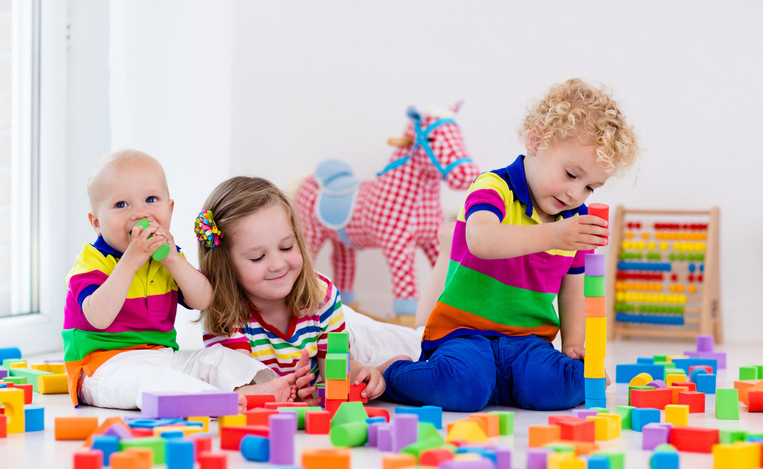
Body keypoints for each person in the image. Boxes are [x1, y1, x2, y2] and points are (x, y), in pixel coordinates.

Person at [378, 78, 640, 412]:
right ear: (537, 140)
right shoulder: (494, 187)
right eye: (571, 175)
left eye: (591, 187)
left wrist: (573, 346)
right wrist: (555, 236)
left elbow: (573, 290)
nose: (576, 194)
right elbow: (481, 240)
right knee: (464, 390)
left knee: (563, 387)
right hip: (464, 333)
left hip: (529, 341)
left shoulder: (573, 218)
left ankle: (509, 383)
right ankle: (393, 371)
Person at [61, 149, 297, 410]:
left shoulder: (167, 257)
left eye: (151, 199)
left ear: (170, 209)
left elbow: (203, 299)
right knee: (153, 380)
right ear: (96, 222)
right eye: (121, 205)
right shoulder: (91, 261)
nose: (140, 213)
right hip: (102, 368)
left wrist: (173, 259)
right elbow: (99, 317)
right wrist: (131, 260)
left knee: (218, 357)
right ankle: (220, 403)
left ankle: (256, 390)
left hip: (162, 356)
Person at [198, 175, 399, 404]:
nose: (277, 264)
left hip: (357, 330)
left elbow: (338, 371)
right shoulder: (223, 311)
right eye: (258, 257)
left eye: (286, 247)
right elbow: (244, 393)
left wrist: (362, 374)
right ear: (226, 266)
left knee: (408, 354)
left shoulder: (322, 294)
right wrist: (292, 393)